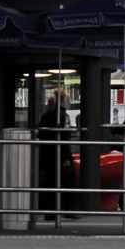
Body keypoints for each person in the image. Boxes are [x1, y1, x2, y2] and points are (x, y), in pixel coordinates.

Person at [38, 88, 79, 220]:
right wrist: (67, 156)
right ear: (63, 100)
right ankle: (69, 209)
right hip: (61, 153)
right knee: (68, 181)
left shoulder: (45, 115)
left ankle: (50, 211)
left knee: (50, 182)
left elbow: (41, 134)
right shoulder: (63, 116)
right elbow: (65, 137)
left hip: (48, 154)